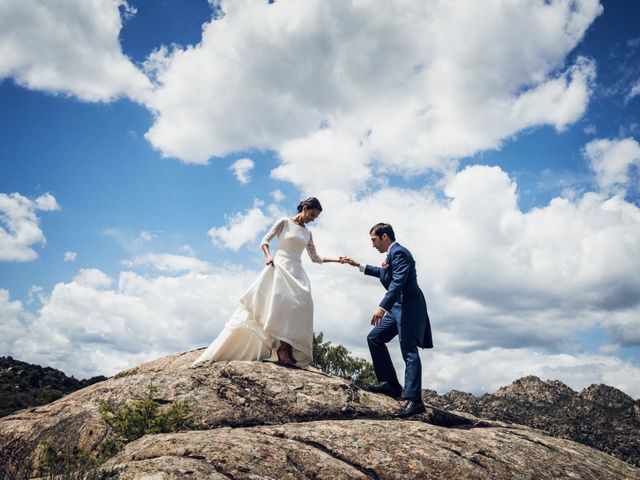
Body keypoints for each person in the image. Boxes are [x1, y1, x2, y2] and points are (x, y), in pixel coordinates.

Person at [193, 197, 342, 368]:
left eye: (315, 217)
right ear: (305, 208)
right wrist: (268, 256)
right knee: (279, 305)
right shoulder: (284, 222)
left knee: (303, 304)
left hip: (297, 269)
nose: (312, 219)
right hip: (279, 265)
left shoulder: (308, 233)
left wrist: (338, 260)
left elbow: (315, 258)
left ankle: (286, 346)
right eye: (312, 214)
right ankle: (281, 349)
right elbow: (265, 240)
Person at [342, 223, 433, 418]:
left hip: (409, 308)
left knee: (409, 351)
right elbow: (384, 274)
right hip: (397, 308)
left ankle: (415, 400)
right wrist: (358, 265)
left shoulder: (400, 253)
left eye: (374, 240)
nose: (373, 245)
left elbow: (398, 283)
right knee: (374, 338)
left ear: (385, 237)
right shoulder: (392, 255)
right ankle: (392, 385)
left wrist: (382, 307)